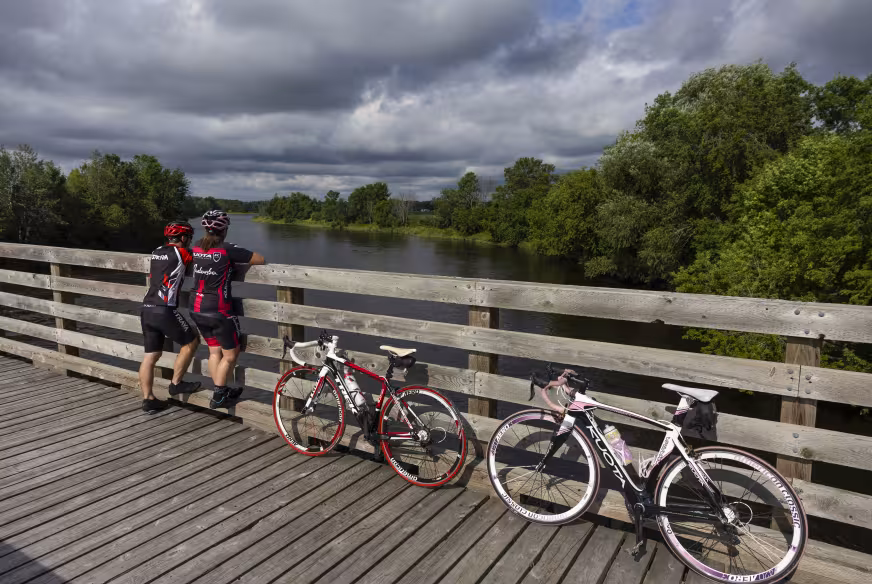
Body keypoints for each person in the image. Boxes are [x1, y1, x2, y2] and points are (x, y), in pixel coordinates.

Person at [190, 210, 265, 408]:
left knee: (215, 352)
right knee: (231, 355)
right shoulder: (227, 248)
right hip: (219, 310)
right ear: (224, 229)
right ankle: (219, 395)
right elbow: (259, 259)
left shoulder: (197, 246)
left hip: (196, 307)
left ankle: (220, 389)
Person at [139, 220, 202, 413]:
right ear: (183, 238)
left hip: (146, 308)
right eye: (189, 238)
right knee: (191, 341)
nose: (190, 242)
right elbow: (205, 257)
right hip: (164, 309)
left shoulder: (157, 251)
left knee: (151, 355)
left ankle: (148, 399)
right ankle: (176, 384)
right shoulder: (183, 253)